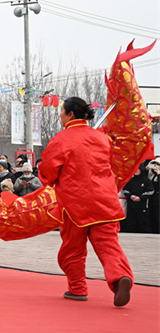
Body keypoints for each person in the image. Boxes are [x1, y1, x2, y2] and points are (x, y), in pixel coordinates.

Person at [38, 96, 133, 307]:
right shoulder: (102, 138)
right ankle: (120, 277)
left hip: (75, 203)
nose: (60, 115)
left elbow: (48, 170)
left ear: (71, 114)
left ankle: (78, 288)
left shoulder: (61, 139)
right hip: (106, 200)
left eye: (62, 111)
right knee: (109, 246)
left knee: (73, 249)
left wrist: (50, 179)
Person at [121, 161, 154, 233]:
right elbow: (125, 189)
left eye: (138, 169)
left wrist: (140, 198)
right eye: (135, 169)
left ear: (141, 169)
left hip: (142, 206)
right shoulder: (131, 180)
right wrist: (130, 196)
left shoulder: (146, 181)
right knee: (130, 224)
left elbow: (151, 191)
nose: (136, 170)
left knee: (144, 224)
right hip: (131, 206)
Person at [147, 159, 160, 234]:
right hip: (151, 200)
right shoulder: (151, 175)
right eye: (154, 164)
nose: (156, 166)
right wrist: (146, 169)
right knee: (152, 217)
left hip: (158, 200)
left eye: (158, 164)